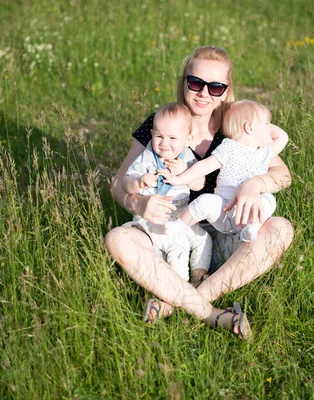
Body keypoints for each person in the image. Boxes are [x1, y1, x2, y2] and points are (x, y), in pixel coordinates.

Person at [105, 45, 294, 340]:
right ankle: (210, 314)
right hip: (167, 232)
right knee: (118, 239)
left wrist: (254, 185)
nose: (204, 93)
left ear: (227, 90)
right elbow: (118, 183)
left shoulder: (238, 125)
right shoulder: (162, 123)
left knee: (280, 229)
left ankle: (178, 298)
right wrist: (138, 203)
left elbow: (283, 175)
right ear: (183, 82)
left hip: (224, 234)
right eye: (196, 83)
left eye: (215, 87)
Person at [163, 100, 288, 283]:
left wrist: (262, 121)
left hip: (246, 214)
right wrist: (181, 178)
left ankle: (252, 227)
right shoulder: (229, 147)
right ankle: (179, 228)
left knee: (269, 199)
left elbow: (282, 136)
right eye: (267, 124)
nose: (271, 129)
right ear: (249, 127)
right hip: (224, 210)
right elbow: (204, 166)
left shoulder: (265, 152)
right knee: (205, 201)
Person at [121, 102, 211, 284]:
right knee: (177, 248)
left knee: (204, 239)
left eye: (172, 138)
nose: (164, 144)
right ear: (152, 134)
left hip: (181, 219)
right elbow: (125, 182)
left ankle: (199, 277)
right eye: (159, 136)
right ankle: (179, 287)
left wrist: (185, 172)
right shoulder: (148, 157)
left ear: (187, 140)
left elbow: (199, 184)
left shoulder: (187, 157)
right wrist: (139, 182)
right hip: (154, 221)